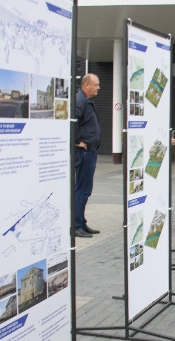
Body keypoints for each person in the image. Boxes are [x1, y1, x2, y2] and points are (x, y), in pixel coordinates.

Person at [74, 73, 102, 238]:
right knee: (82, 189)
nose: (98, 87)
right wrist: (77, 141)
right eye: (96, 84)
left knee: (85, 189)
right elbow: (72, 122)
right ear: (86, 85)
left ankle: (81, 222)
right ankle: (77, 225)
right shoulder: (80, 101)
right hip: (84, 152)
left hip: (90, 151)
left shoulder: (86, 101)